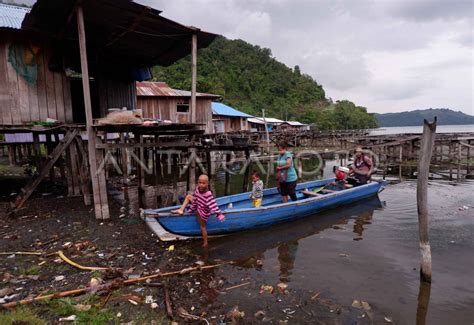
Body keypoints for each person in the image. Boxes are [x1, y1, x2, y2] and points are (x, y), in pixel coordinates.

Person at [171, 175, 225, 247]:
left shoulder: (208, 194)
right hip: (197, 205)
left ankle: (205, 242)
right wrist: (192, 208)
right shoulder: (197, 189)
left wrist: (219, 214)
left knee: (202, 227)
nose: (201, 185)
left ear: (207, 184)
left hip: (203, 211)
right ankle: (181, 210)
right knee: (189, 196)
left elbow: (213, 205)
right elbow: (196, 198)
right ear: (197, 183)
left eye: (203, 183)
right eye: (200, 182)